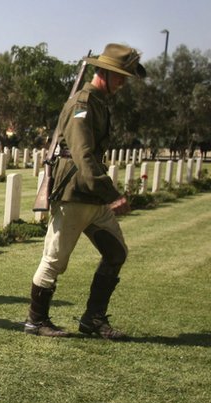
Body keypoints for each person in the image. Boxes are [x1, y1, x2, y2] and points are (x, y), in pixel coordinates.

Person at [25, 44, 146, 340]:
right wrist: (112, 195)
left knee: (116, 252)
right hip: (76, 193)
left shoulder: (99, 102)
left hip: (92, 194)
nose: (123, 82)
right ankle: (35, 321)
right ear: (102, 72)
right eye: (119, 76)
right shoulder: (83, 102)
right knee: (55, 260)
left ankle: (92, 320)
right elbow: (83, 154)